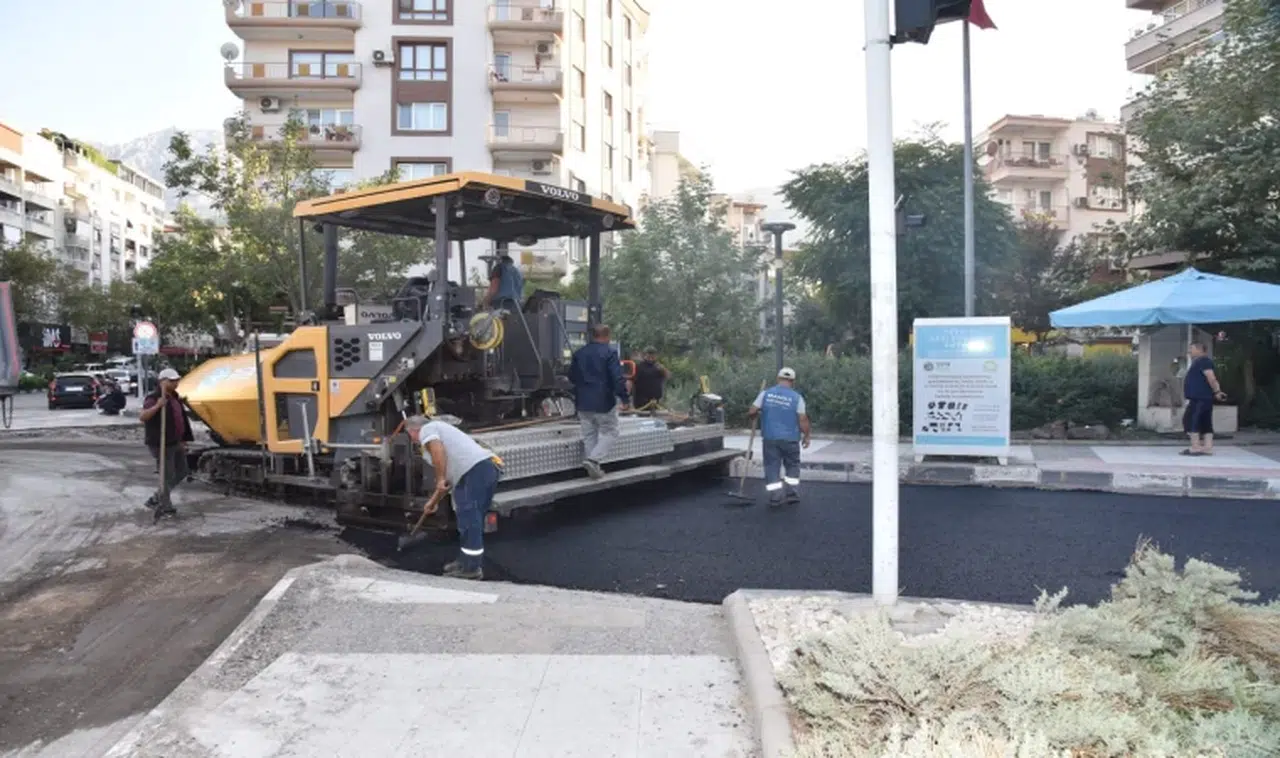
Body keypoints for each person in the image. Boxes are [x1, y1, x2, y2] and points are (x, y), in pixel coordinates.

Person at [404, 414, 502, 580]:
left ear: (414, 430)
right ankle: (465, 561)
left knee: (470, 521)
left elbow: (437, 451)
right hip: (480, 471)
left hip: (475, 471)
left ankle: (471, 569)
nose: (412, 439)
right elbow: (446, 480)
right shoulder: (441, 433)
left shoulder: (428, 429)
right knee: (469, 520)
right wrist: (433, 502)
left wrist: (440, 479)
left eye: (409, 434)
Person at [569, 323, 629, 479]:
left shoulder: (579, 353)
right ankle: (593, 459)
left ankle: (593, 469)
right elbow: (617, 378)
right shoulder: (610, 352)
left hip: (583, 402)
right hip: (603, 401)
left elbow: (571, 377)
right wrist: (624, 398)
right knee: (611, 432)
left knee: (589, 435)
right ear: (607, 336)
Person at [748, 367, 811, 506]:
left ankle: (775, 497)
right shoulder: (797, 398)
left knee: (772, 466)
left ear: (778, 379)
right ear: (792, 381)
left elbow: (752, 411)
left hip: (770, 438)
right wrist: (806, 436)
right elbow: (803, 419)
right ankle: (791, 493)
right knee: (792, 465)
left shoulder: (765, 394)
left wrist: (755, 415)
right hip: (791, 439)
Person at [139, 368, 193, 516]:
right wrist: (157, 406)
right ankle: (165, 506)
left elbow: (179, 420)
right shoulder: (154, 398)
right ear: (162, 382)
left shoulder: (175, 398)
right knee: (167, 475)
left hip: (176, 441)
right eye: (172, 380)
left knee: (182, 471)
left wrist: (183, 439)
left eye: (176, 380)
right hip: (161, 443)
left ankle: (156, 498)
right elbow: (143, 417)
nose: (176, 383)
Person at [1182, 342, 1227, 456]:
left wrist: (1217, 391)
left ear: (1200, 349)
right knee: (1205, 422)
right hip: (1201, 398)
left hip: (1200, 398)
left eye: (1191, 348)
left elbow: (1211, 378)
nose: (1189, 351)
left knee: (1192, 420)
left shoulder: (1204, 361)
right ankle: (1207, 447)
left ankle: (1196, 447)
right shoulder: (1199, 362)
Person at [631, 346, 671, 411]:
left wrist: (663, 369)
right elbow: (631, 380)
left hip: (655, 401)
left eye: (653, 355)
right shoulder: (638, 366)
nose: (651, 358)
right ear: (644, 355)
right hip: (641, 401)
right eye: (648, 355)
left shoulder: (658, 366)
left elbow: (668, 376)